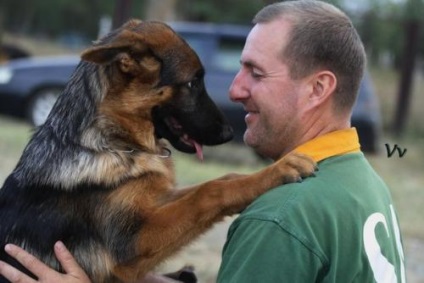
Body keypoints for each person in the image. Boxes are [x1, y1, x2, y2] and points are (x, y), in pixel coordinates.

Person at [0, 1, 406, 282]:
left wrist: (221, 195)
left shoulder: (283, 217)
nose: (234, 89)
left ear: (318, 89)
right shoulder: (362, 185)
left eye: (256, 73)